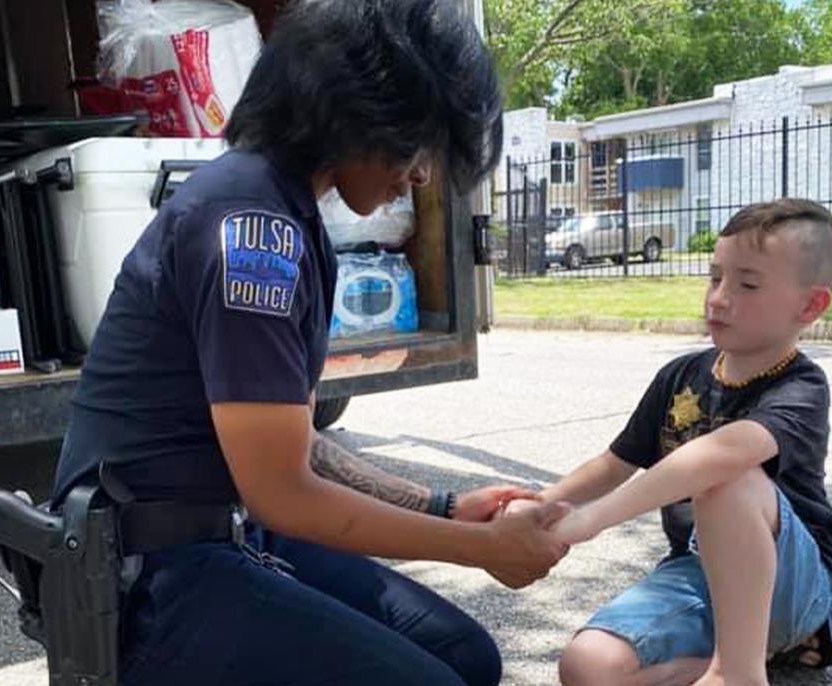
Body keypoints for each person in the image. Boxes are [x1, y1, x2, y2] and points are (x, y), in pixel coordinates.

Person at [48, 1, 569, 684]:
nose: (417, 174)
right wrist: (479, 548)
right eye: (415, 143)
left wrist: (443, 507)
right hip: (146, 579)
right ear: (358, 110)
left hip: (215, 538)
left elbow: (294, 446)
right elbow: (284, 493)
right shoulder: (252, 230)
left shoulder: (284, 213)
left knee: (468, 657)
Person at [505, 199, 832, 686]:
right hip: (699, 574)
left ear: (810, 305)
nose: (719, 298)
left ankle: (740, 669)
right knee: (586, 667)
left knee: (726, 481)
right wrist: (540, 505)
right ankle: (752, 661)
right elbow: (615, 463)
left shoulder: (802, 387)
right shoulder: (680, 375)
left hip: (793, 584)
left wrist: (589, 521)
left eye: (747, 284)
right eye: (715, 277)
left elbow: (721, 456)